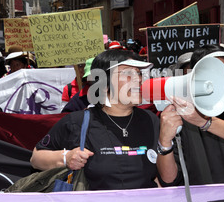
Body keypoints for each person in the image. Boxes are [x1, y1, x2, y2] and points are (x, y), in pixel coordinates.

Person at [31, 50, 161, 191]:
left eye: (139, 73)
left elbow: (159, 177)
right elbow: (36, 158)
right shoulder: (78, 122)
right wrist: (66, 158)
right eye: (128, 74)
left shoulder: (150, 120)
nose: (138, 79)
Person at [156, 45, 224, 186]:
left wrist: (204, 122)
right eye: (216, 72)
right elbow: (168, 180)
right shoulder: (180, 119)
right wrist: (164, 143)